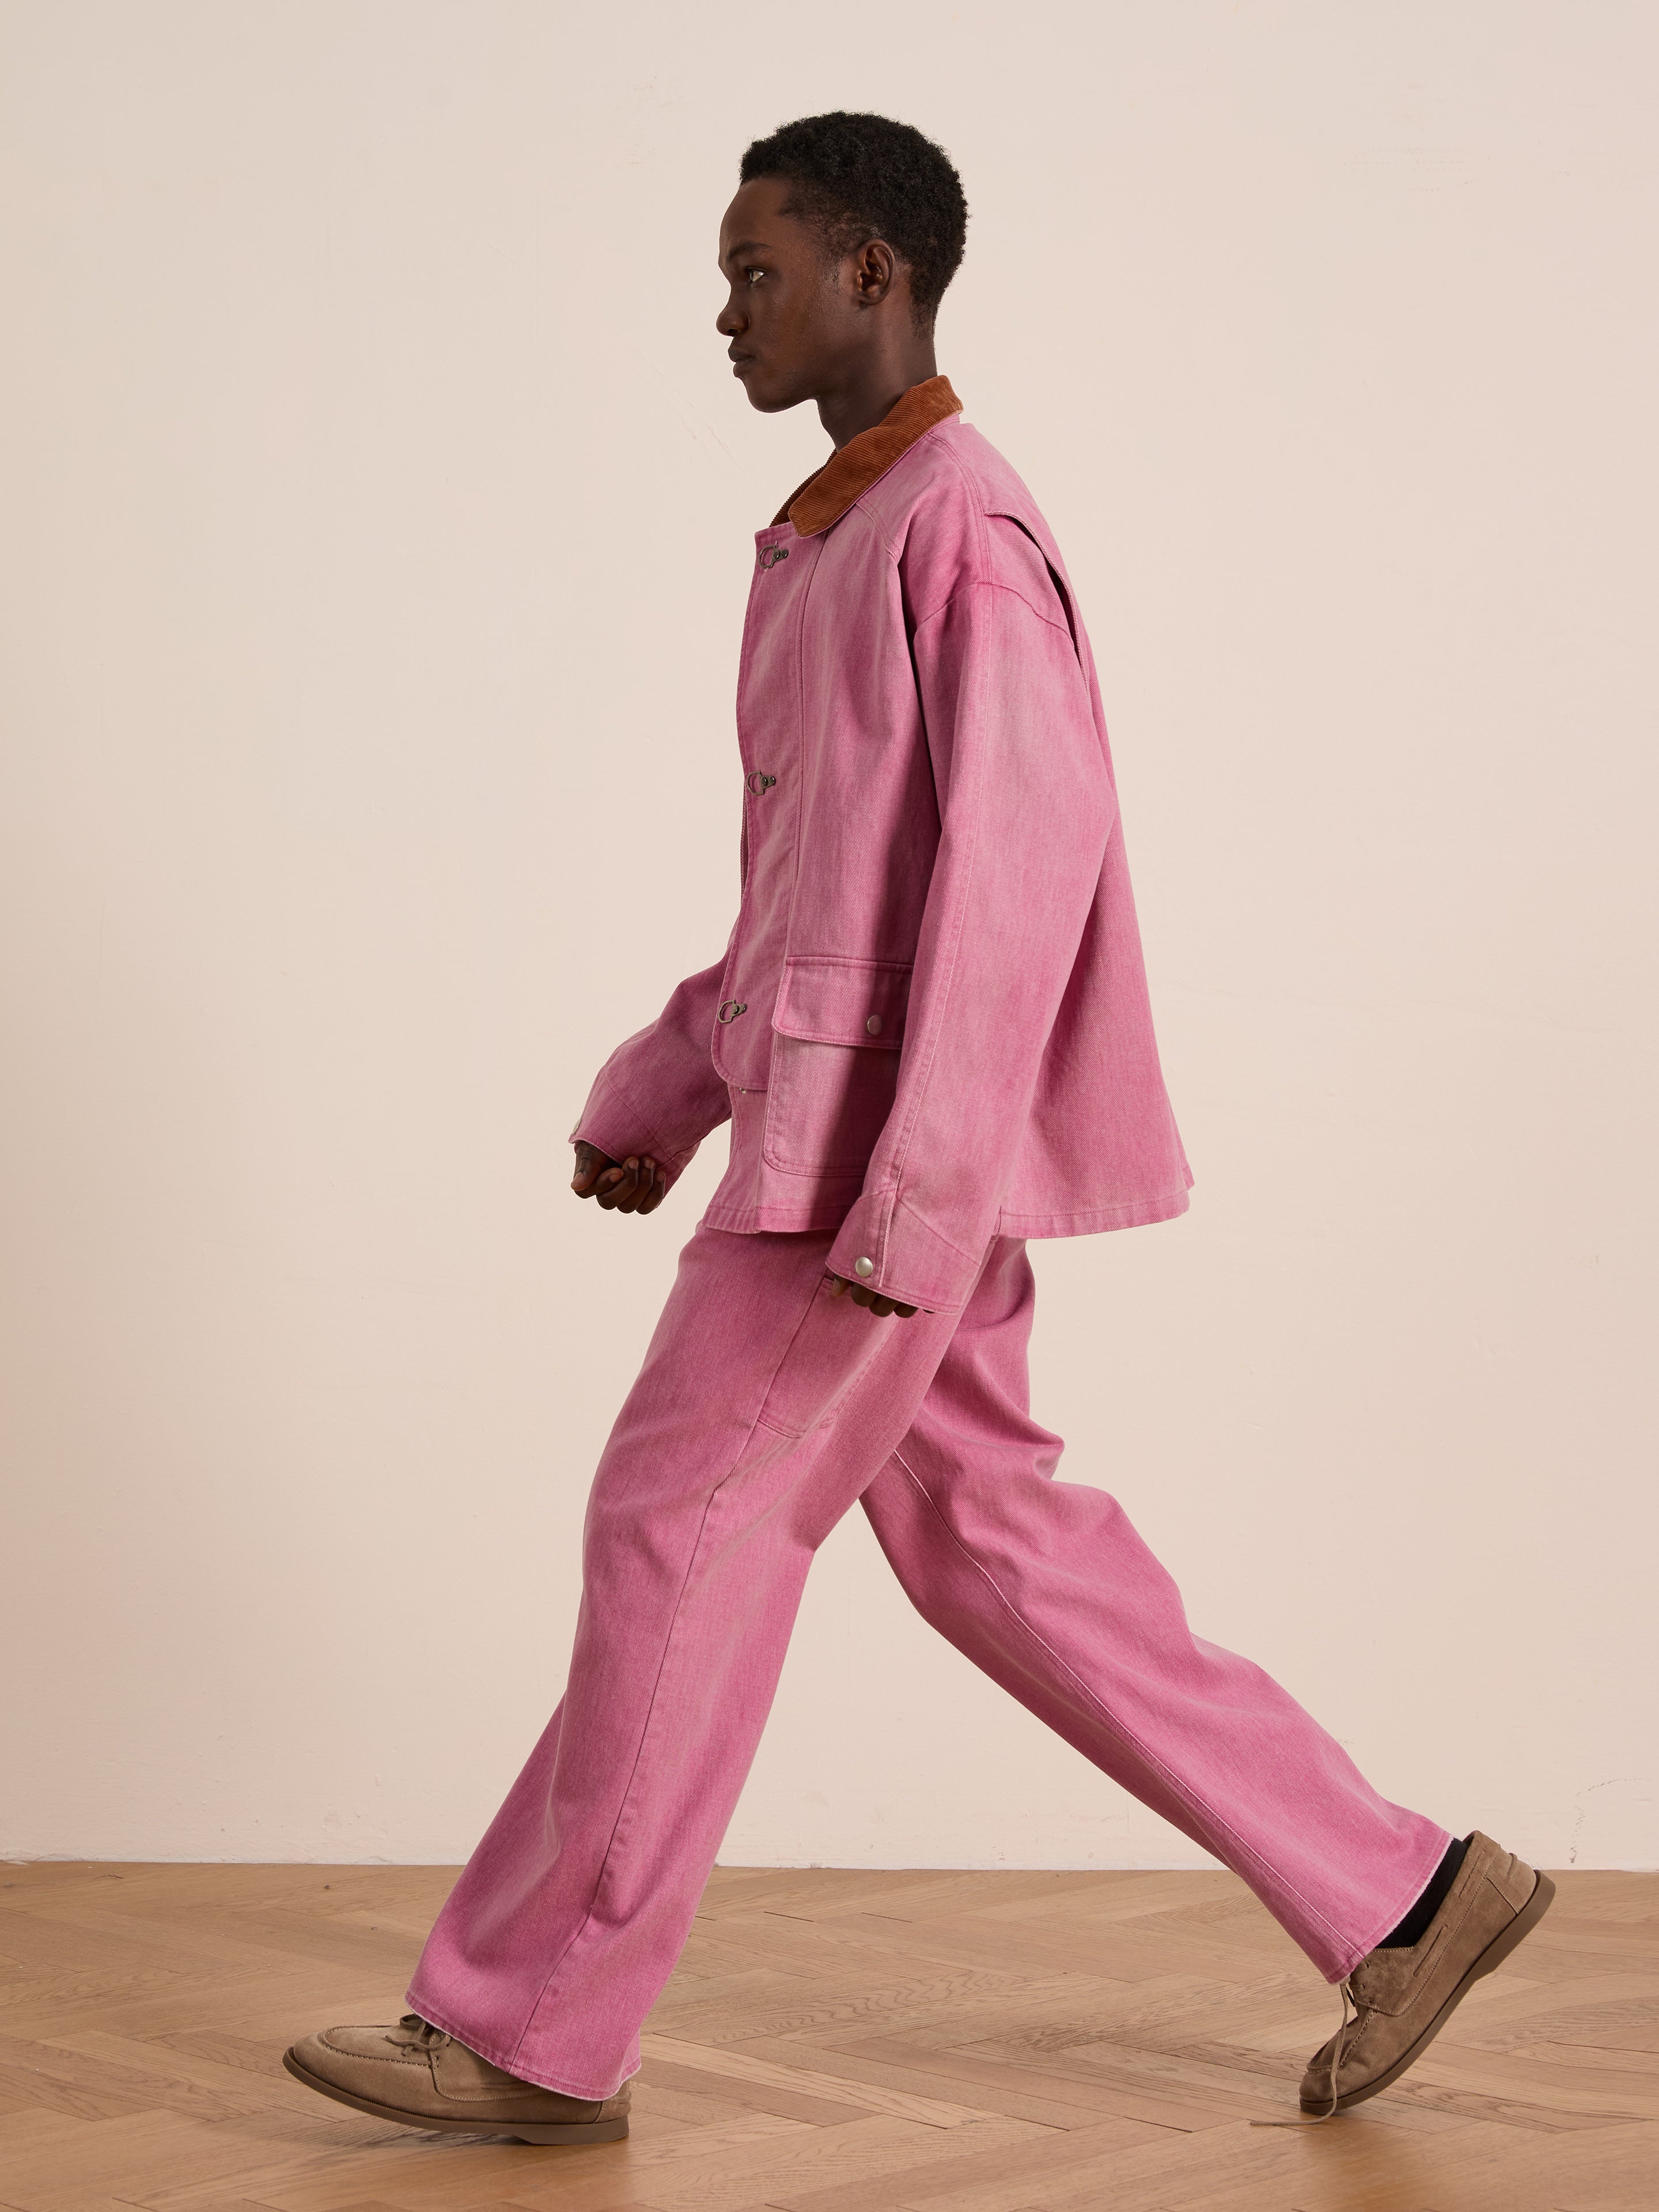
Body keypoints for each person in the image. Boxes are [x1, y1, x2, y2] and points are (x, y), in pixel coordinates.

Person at [283, 111, 1551, 2148]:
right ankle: (1398, 1891)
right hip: (839, 1161)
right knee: (996, 1546)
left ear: (874, 271)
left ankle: (535, 2022)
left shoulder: (961, 528)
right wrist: (659, 1091)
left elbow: (1018, 893)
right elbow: (809, 919)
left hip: (866, 1196)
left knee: (675, 1529)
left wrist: (923, 1197)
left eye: (755, 270)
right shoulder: (830, 541)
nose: (726, 311)